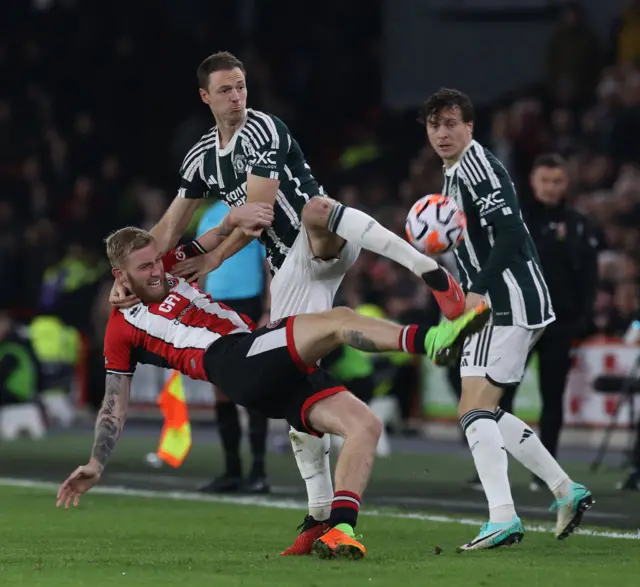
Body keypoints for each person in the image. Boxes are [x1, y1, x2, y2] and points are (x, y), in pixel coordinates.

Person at [109, 50, 466, 554]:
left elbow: (256, 215)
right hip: (289, 272)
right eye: (226, 90)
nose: (237, 97)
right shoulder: (200, 158)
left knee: (316, 208)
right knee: (296, 382)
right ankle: (319, 514)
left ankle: (430, 271)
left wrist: (210, 260)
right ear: (205, 97)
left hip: (321, 238)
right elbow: (165, 231)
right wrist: (128, 273)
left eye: (241, 86)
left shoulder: (263, 130)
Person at [56, 227, 491, 560]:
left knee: (364, 425)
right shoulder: (120, 328)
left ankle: (337, 530)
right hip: (230, 360)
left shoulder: (170, 265)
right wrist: (96, 461)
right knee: (337, 319)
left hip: (254, 359)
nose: (156, 271)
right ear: (120, 275)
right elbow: (114, 402)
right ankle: (433, 341)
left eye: (155, 261)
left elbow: (220, 230)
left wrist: (244, 215)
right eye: (144, 267)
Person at [420, 88, 593, 550]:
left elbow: (514, 229)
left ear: (470, 126)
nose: (442, 132)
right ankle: (565, 490)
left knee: (477, 407)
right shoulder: (452, 172)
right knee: (474, 409)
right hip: (487, 305)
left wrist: (477, 287)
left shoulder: (477, 166)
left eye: (451, 123)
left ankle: (503, 517)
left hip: (513, 300)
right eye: (435, 125)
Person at [498, 153, 600, 491]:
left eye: (557, 181)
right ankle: (496, 466)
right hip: (522, 320)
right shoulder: (516, 220)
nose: (551, 188)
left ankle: (545, 471)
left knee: (552, 398)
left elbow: (589, 276)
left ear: (566, 183)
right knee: (503, 394)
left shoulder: (579, 224)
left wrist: (583, 319)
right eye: (545, 181)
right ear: (533, 181)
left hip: (560, 325)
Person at [196, 200, 271, 494]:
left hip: (248, 303)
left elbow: (269, 263)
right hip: (215, 305)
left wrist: (269, 308)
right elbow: (202, 262)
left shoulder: (256, 210)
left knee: (253, 385)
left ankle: (258, 471)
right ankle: (232, 471)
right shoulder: (209, 215)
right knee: (221, 386)